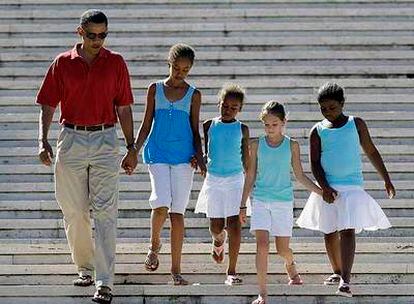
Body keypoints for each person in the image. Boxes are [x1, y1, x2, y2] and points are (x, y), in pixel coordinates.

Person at [36, 9, 137, 304]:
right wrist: (42, 140)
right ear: (79, 32)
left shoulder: (116, 62)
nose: (97, 41)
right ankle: (86, 268)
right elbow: (47, 104)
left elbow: (125, 108)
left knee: (106, 212)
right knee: (75, 211)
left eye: (103, 35)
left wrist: (131, 147)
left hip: (106, 138)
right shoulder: (62, 63)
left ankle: (105, 282)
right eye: (92, 35)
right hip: (71, 138)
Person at [297, 82, 396, 298]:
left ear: (342, 104)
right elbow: (314, 162)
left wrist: (386, 179)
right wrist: (324, 186)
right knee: (329, 230)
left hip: (351, 187)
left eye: (332, 107)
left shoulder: (356, 124)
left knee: (347, 229)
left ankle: (345, 279)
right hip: (329, 187)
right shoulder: (318, 130)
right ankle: (336, 270)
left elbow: (370, 150)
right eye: (323, 108)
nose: (328, 112)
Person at [134, 43, 206, 285]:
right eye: (176, 68)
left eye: (185, 70)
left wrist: (201, 156)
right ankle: (154, 246)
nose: (180, 73)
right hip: (157, 153)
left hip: (184, 158)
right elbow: (145, 124)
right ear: (169, 64)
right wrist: (133, 149)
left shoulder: (194, 94)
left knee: (177, 214)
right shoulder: (154, 89)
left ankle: (176, 270)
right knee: (161, 202)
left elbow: (196, 130)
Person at [239, 101, 322, 304]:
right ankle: (263, 293)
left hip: (283, 202)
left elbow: (300, 175)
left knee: (282, 249)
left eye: (274, 124)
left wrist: (321, 192)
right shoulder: (256, 144)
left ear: (284, 122)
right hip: (260, 200)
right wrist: (242, 204)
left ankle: (290, 264)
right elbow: (250, 176)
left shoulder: (292, 145)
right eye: (266, 125)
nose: (270, 128)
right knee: (262, 245)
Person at [194, 83, 249, 285]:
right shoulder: (209, 125)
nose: (228, 110)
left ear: (239, 109)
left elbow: (246, 159)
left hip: (235, 179)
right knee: (216, 226)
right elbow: (207, 150)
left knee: (234, 225)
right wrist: (200, 161)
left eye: (233, 108)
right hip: (214, 180)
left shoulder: (242, 129)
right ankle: (218, 240)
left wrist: (251, 181)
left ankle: (231, 270)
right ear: (220, 104)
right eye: (225, 106)